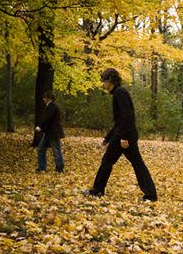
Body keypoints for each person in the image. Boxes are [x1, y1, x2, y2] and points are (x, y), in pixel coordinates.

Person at [83, 68, 158, 202]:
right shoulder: (119, 92)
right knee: (137, 164)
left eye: (104, 81)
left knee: (108, 161)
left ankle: (97, 190)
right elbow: (119, 121)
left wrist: (124, 137)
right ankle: (151, 195)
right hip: (125, 134)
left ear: (110, 80)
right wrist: (108, 137)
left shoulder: (120, 93)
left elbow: (127, 116)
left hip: (123, 136)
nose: (103, 84)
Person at [35, 90, 65, 173]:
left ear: (48, 98)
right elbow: (47, 119)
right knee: (41, 149)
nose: (43, 99)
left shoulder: (53, 107)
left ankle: (60, 168)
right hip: (48, 132)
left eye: (44, 98)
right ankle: (42, 167)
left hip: (54, 132)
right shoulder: (50, 106)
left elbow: (47, 118)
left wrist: (40, 127)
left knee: (56, 150)